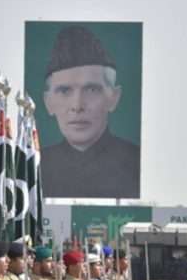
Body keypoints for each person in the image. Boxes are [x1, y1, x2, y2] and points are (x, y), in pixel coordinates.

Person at [41, 25, 139, 199]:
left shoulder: (137, 163)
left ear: (114, 98)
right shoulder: (33, 167)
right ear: (48, 103)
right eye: (64, 91)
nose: (77, 106)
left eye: (92, 90)